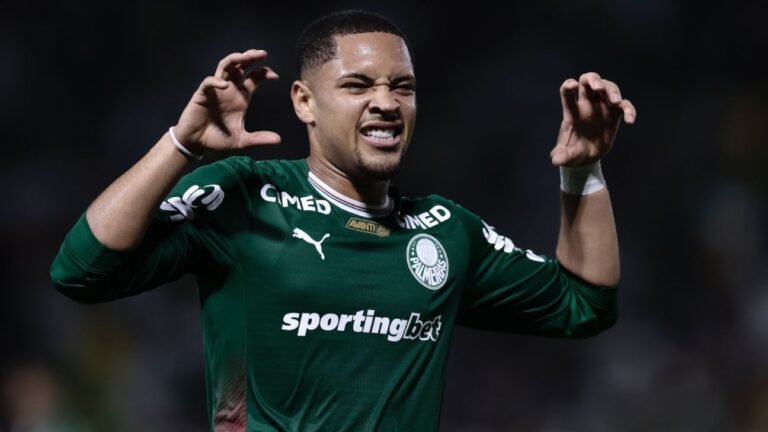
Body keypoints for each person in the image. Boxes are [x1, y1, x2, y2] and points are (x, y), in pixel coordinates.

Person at [50, 9, 636, 431]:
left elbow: (585, 304)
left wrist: (583, 170)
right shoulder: (246, 195)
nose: (386, 102)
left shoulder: (444, 230)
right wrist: (182, 145)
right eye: (358, 85)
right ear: (304, 101)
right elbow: (81, 270)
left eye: (402, 87)